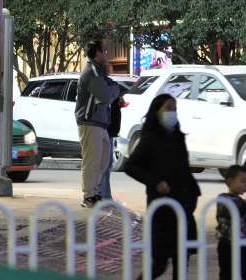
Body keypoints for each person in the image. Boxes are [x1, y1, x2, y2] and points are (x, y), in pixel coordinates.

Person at [124, 94, 201, 280]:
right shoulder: (150, 139)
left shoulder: (178, 137)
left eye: (174, 109)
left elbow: (183, 168)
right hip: (162, 210)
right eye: (168, 108)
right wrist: (155, 182)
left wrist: (192, 191)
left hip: (182, 207)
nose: (172, 113)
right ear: (156, 112)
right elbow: (131, 166)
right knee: (158, 263)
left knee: (182, 263)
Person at [75, 40, 120, 208]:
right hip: (90, 122)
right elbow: (106, 95)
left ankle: (95, 193)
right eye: (105, 51)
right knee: (92, 161)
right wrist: (115, 90)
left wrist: (112, 88)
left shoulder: (99, 72)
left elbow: (110, 88)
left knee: (102, 161)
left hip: (100, 123)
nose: (107, 54)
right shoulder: (91, 73)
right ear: (97, 53)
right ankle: (89, 196)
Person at [216, 165, 246, 280]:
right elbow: (234, 212)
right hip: (228, 245)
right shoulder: (223, 198)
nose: (245, 185)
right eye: (242, 181)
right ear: (230, 181)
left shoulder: (243, 202)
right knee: (227, 274)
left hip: (245, 244)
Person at [99, 91, 127, 200]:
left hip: (109, 131)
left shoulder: (112, 95)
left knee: (107, 164)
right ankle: (102, 195)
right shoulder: (106, 93)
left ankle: (105, 195)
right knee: (104, 164)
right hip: (105, 130)